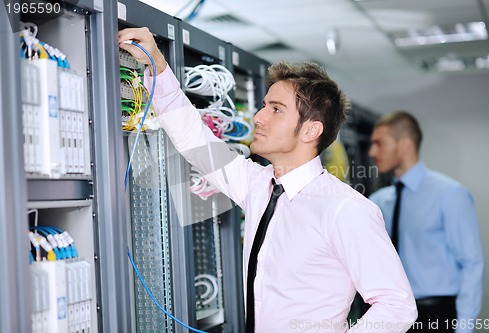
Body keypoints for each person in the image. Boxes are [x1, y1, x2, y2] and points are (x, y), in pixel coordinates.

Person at [118, 27, 417, 333]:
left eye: (276, 109)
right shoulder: (258, 184)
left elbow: (396, 306)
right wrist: (156, 63)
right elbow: (194, 139)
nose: (259, 117)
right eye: (264, 105)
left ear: (310, 131)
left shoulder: (344, 209)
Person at [368, 111, 484, 333]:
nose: (372, 151)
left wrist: (464, 328)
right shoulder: (378, 202)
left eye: (379, 143)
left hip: (436, 317)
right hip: (388, 316)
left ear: (405, 145)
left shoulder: (450, 194)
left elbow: (472, 263)